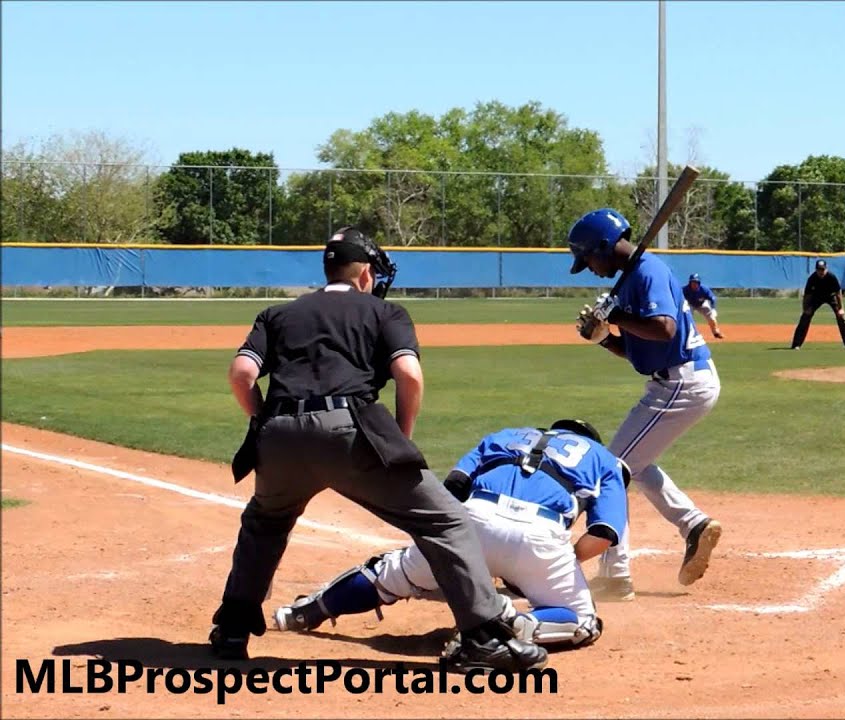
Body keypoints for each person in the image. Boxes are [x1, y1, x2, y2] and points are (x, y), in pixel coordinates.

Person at [210, 227, 547, 673]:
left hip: (279, 436)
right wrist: (399, 441)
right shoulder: (385, 311)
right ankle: (483, 636)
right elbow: (409, 375)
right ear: (366, 273)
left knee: (265, 522)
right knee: (444, 521)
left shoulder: (278, 313)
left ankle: (232, 629)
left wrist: (264, 421)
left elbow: (241, 374)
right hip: (350, 432)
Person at [272, 419, 628, 651]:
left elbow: (452, 489)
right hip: (540, 535)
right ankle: (517, 624)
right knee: (584, 621)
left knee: (389, 573)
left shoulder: (505, 436)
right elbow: (603, 533)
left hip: (472, 518)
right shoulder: (604, 458)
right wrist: (548, 566)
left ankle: (304, 612)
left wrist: (441, 546)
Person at [568, 208, 723, 602]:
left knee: (611, 471)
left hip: (682, 382)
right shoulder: (631, 278)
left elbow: (664, 329)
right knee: (629, 465)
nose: (590, 269)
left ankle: (615, 576)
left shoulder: (646, 272)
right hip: (672, 381)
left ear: (603, 247)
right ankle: (693, 525)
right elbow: (641, 350)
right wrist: (605, 337)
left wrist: (618, 314)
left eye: (588, 259)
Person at [790, 259, 845, 350]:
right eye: (819, 269)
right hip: (816, 298)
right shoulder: (812, 279)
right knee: (805, 316)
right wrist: (805, 309)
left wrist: (841, 308)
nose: (821, 272)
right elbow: (807, 296)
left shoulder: (831, 277)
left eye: (823, 269)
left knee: (841, 316)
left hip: (831, 297)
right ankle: (796, 344)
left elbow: (838, 293)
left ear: (826, 269)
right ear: (816, 270)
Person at [682, 273, 724, 339]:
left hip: (702, 304)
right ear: (690, 283)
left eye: (696, 282)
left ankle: (716, 333)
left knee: (711, 317)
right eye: (692, 282)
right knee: (686, 317)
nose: (694, 284)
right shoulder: (685, 289)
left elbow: (713, 298)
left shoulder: (704, 289)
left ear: (699, 283)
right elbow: (678, 297)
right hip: (690, 304)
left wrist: (713, 308)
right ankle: (685, 334)